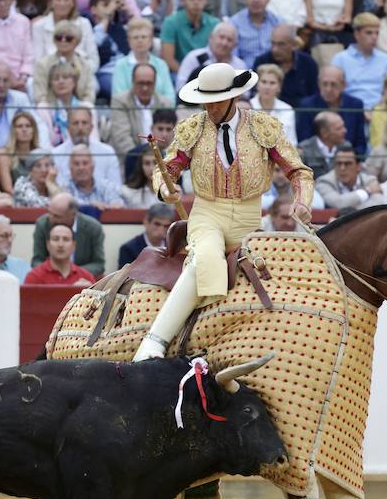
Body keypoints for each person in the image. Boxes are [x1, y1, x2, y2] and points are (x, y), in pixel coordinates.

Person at [133, 62, 312, 359]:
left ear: (234, 97)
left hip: (249, 218)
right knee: (205, 258)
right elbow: (166, 170)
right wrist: (167, 189)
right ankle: (154, 342)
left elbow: (298, 171)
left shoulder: (262, 127)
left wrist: (303, 201)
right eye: (206, 100)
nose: (210, 107)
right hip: (207, 213)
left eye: (216, 100)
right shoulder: (192, 128)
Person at [30, 193, 106, 277]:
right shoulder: (42, 223)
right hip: (50, 278)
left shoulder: (93, 227)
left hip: (82, 280)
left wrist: (72, 274)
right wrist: (56, 274)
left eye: (57, 216)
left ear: (73, 214)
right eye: (50, 213)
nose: (51, 219)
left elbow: (99, 264)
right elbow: (37, 261)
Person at [24, 222, 97, 286]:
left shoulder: (86, 277)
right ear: (48, 244)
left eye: (66, 239)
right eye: (55, 239)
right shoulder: (34, 277)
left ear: (74, 246)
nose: (60, 244)